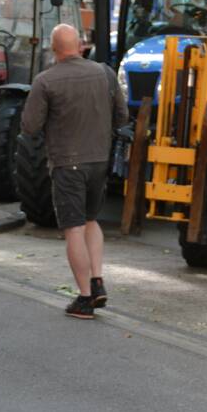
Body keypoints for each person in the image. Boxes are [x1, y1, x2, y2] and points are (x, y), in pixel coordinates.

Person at [21, 24, 129, 319]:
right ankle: (97, 280)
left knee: (74, 228)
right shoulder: (105, 73)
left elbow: (29, 127)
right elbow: (122, 116)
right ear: (80, 45)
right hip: (99, 162)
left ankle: (83, 299)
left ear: (54, 49)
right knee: (92, 220)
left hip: (68, 164)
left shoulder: (45, 81)